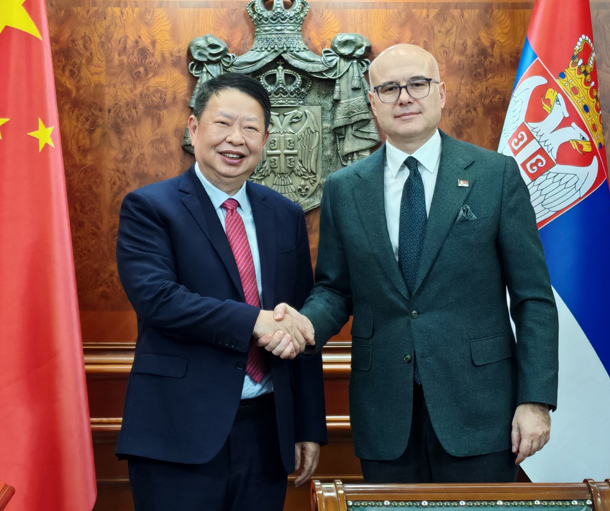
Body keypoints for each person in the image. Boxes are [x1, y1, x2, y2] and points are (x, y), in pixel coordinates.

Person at [284, 43, 558, 483]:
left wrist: (535, 400)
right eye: (389, 88)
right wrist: (302, 325)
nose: (404, 97)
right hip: (384, 413)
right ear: (372, 102)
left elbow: (533, 299)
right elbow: (334, 289)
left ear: (441, 93)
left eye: (417, 84)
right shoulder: (343, 188)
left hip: (481, 410)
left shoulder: (495, 175)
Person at [116, 72, 326, 511]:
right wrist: (254, 321)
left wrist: (307, 425)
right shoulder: (150, 207)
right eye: (223, 123)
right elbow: (158, 299)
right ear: (194, 128)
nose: (236, 139)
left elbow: (298, 319)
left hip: (266, 434)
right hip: (177, 433)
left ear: (265, 139)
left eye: (250, 128)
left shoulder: (284, 215)